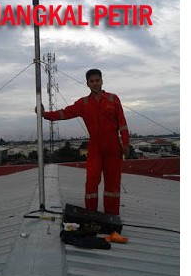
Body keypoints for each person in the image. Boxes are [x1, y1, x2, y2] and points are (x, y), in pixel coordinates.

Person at [38, 69, 130, 215]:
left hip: (113, 146)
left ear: (102, 81)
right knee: (92, 180)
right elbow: (65, 113)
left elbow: (122, 124)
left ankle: (112, 216)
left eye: (97, 80)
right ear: (87, 84)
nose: (95, 83)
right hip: (95, 147)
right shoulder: (84, 103)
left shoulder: (113, 99)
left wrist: (125, 143)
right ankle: (91, 215)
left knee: (113, 183)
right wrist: (44, 114)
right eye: (91, 81)